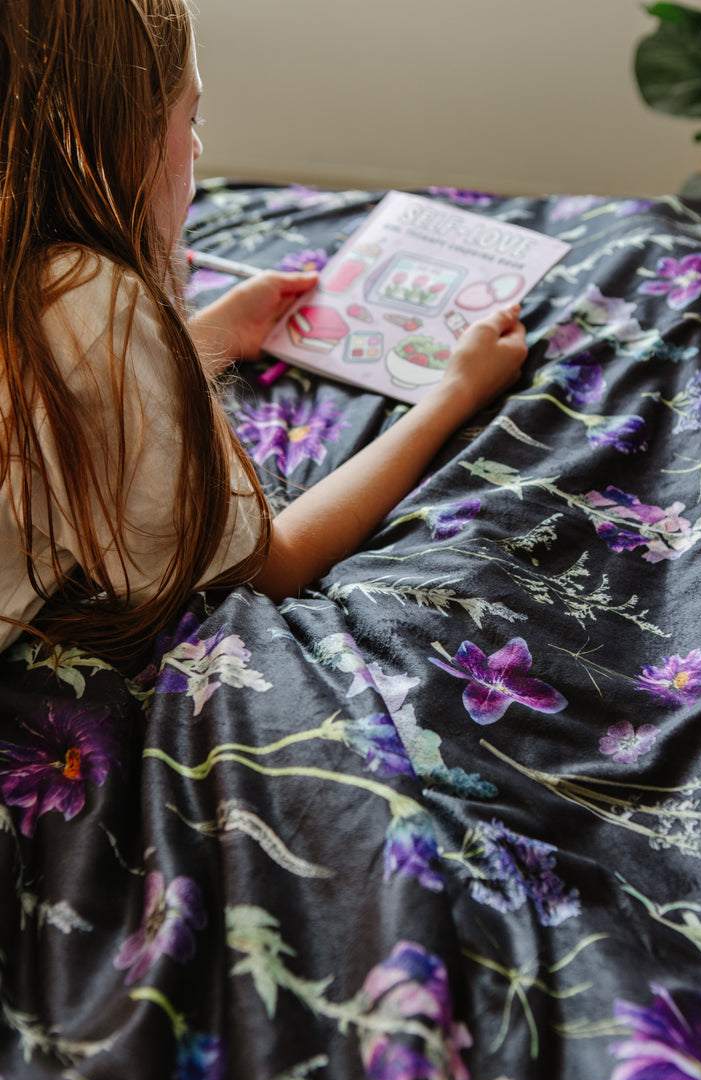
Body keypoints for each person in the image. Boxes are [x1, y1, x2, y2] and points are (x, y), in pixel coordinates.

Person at [0, 0, 527, 670]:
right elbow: (272, 563)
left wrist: (207, 333)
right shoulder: (87, 298)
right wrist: (452, 394)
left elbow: (54, 403)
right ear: (101, 141)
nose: (197, 146)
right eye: (188, 116)